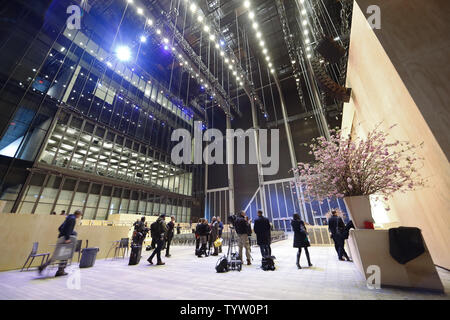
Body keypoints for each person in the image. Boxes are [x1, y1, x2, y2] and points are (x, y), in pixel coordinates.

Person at [39, 210, 83, 276]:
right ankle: (60, 271)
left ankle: (44, 267)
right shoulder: (73, 219)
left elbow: (60, 228)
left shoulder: (68, 217)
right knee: (65, 255)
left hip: (61, 238)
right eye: (80, 215)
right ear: (78, 214)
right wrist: (67, 238)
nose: (80, 216)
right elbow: (68, 229)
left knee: (56, 255)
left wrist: (64, 234)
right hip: (65, 239)